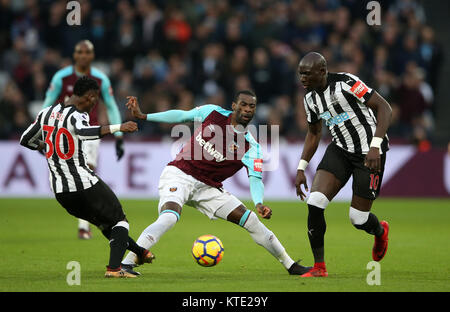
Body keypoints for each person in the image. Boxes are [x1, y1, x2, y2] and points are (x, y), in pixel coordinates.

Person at [120, 90, 311, 276]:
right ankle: (127, 263)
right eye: (243, 105)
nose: (247, 109)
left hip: (208, 188)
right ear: (234, 106)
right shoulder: (213, 112)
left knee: (251, 219)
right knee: (169, 217)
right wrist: (143, 116)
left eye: (251, 106)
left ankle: (290, 265)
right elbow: (182, 116)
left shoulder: (251, 147)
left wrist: (259, 202)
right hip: (179, 174)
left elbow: (255, 179)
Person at [20, 76, 153, 278]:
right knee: (120, 221)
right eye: (95, 100)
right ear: (90, 97)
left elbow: (25, 139)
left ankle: (140, 252)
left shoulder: (46, 113)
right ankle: (114, 269)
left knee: (106, 225)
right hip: (82, 183)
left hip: (61, 192)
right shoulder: (77, 116)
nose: (94, 105)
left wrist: (46, 148)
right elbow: (84, 132)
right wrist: (119, 127)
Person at [295, 52, 391, 277]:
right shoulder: (309, 99)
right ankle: (319, 267)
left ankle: (380, 231)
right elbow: (314, 133)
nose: (302, 78)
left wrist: (375, 146)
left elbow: (384, 108)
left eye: (307, 74)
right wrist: (301, 167)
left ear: (322, 71)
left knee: (358, 219)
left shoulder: (347, 83)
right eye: (300, 74)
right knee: (315, 202)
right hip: (340, 150)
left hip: (370, 153)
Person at [42, 40, 125, 239]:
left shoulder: (101, 78)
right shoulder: (61, 77)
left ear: (93, 55)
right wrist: (43, 132)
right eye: (80, 52)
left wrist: (119, 136)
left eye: (87, 52)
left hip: (89, 132)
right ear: (74, 55)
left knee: (86, 169)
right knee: (73, 174)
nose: (83, 55)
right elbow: (47, 102)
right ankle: (87, 218)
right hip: (64, 132)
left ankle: (84, 225)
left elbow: (111, 106)